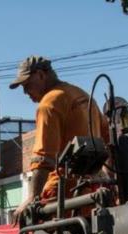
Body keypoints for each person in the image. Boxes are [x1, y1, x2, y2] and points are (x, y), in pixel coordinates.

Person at [9, 56, 110, 221]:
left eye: (27, 85)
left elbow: (44, 158)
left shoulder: (49, 104)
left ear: (41, 75)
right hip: (91, 192)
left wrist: (31, 198)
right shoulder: (82, 95)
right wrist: (108, 179)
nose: (25, 92)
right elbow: (107, 137)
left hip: (62, 193)